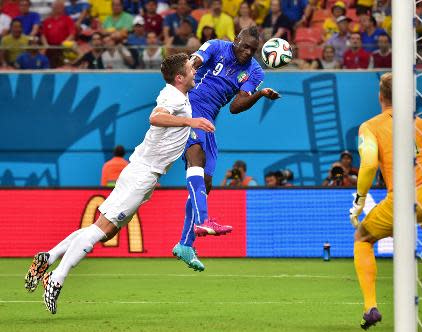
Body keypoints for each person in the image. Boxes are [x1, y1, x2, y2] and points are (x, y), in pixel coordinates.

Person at [24, 53, 215, 314]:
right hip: (142, 174)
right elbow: (155, 117)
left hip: (144, 173)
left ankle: (49, 255)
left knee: (105, 230)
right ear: (180, 78)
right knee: (101, 230)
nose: (194, 73)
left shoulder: (178, 92)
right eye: (189, 70)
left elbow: (191, 69)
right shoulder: (172, 97)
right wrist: (189, 121)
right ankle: (56, 279)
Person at [349, 72, 422, 332]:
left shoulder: (370, 126)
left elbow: (368, 164)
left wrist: (360, 199)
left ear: (380, 96)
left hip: (401, 199)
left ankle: (370, 307)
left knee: (363, 239)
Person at [173, 26, 280, 270]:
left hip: (209, 120)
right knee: (196, 160)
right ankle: (203, 220)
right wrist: (188, 71)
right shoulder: (216, 46)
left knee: (207, 183)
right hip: (190, 108)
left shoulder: (254, 71)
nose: (248, 53)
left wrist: (260, 94)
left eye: (253, 50)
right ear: (236, 40)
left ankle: (185, 244)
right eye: (245, 47)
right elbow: (195, 61)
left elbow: (236, 106)